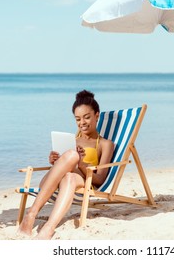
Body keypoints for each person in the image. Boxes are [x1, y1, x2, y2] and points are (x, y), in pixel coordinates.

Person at [18, 90, 114, 239]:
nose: (82, 123)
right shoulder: (71, 140)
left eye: (87, 117)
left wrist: (81, 164)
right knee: (71, 156)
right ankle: (31, 214)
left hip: (81, 182)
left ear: (97, 115)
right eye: (77, 119)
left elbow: (100, 179)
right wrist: (55, 161)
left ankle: (48, 228)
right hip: (51, 185)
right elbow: (57, 171)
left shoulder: (105, 144)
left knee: (70, 173)